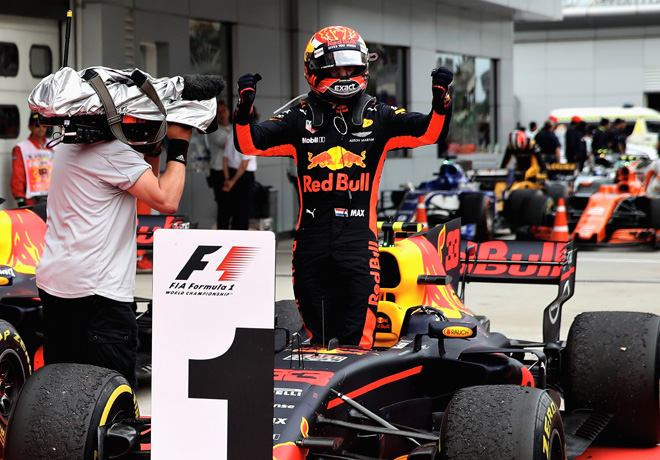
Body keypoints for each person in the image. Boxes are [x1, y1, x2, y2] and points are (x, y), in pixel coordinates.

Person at [233, 25, 453, 348]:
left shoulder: (379, 116)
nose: (344, 75)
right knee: (317, 343)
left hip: (358, 245)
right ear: (315, 70)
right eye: (336, 69)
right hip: (311, 245)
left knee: (357, 344)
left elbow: (429, 132)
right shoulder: (298, 118)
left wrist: (441, 102)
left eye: (350, 67)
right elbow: (249, 143)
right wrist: (243, 112)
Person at [36, 121, 193, 389]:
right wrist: (179, 144)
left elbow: (144, 184)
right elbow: (166, 200)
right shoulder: (113, 153)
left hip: (57, 287)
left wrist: (152, 146)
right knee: (112, 398)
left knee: (63, 392)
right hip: (99, 296)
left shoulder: (66, 146)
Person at [205, 101, 257, 229]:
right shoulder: (216, 130)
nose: (222, 114)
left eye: (224, 111)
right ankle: (226, 233)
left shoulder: (233, 130)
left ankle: (230, 234)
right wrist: (230, 180)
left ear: (229, 112)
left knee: (234, 208)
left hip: (230, 172)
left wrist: (229, 179)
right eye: (219, 112)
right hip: (221, 171)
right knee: (227, 208)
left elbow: (227, 156)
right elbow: (238, 157)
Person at [11, 111, 54, 207]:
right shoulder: (20, 148)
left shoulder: (54, 146)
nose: (41, 128)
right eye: (37, 125)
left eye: (44, 126)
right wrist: (20, 199)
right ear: (29, 127)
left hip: (53, 197)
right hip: (32, 200)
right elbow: (17, 176)